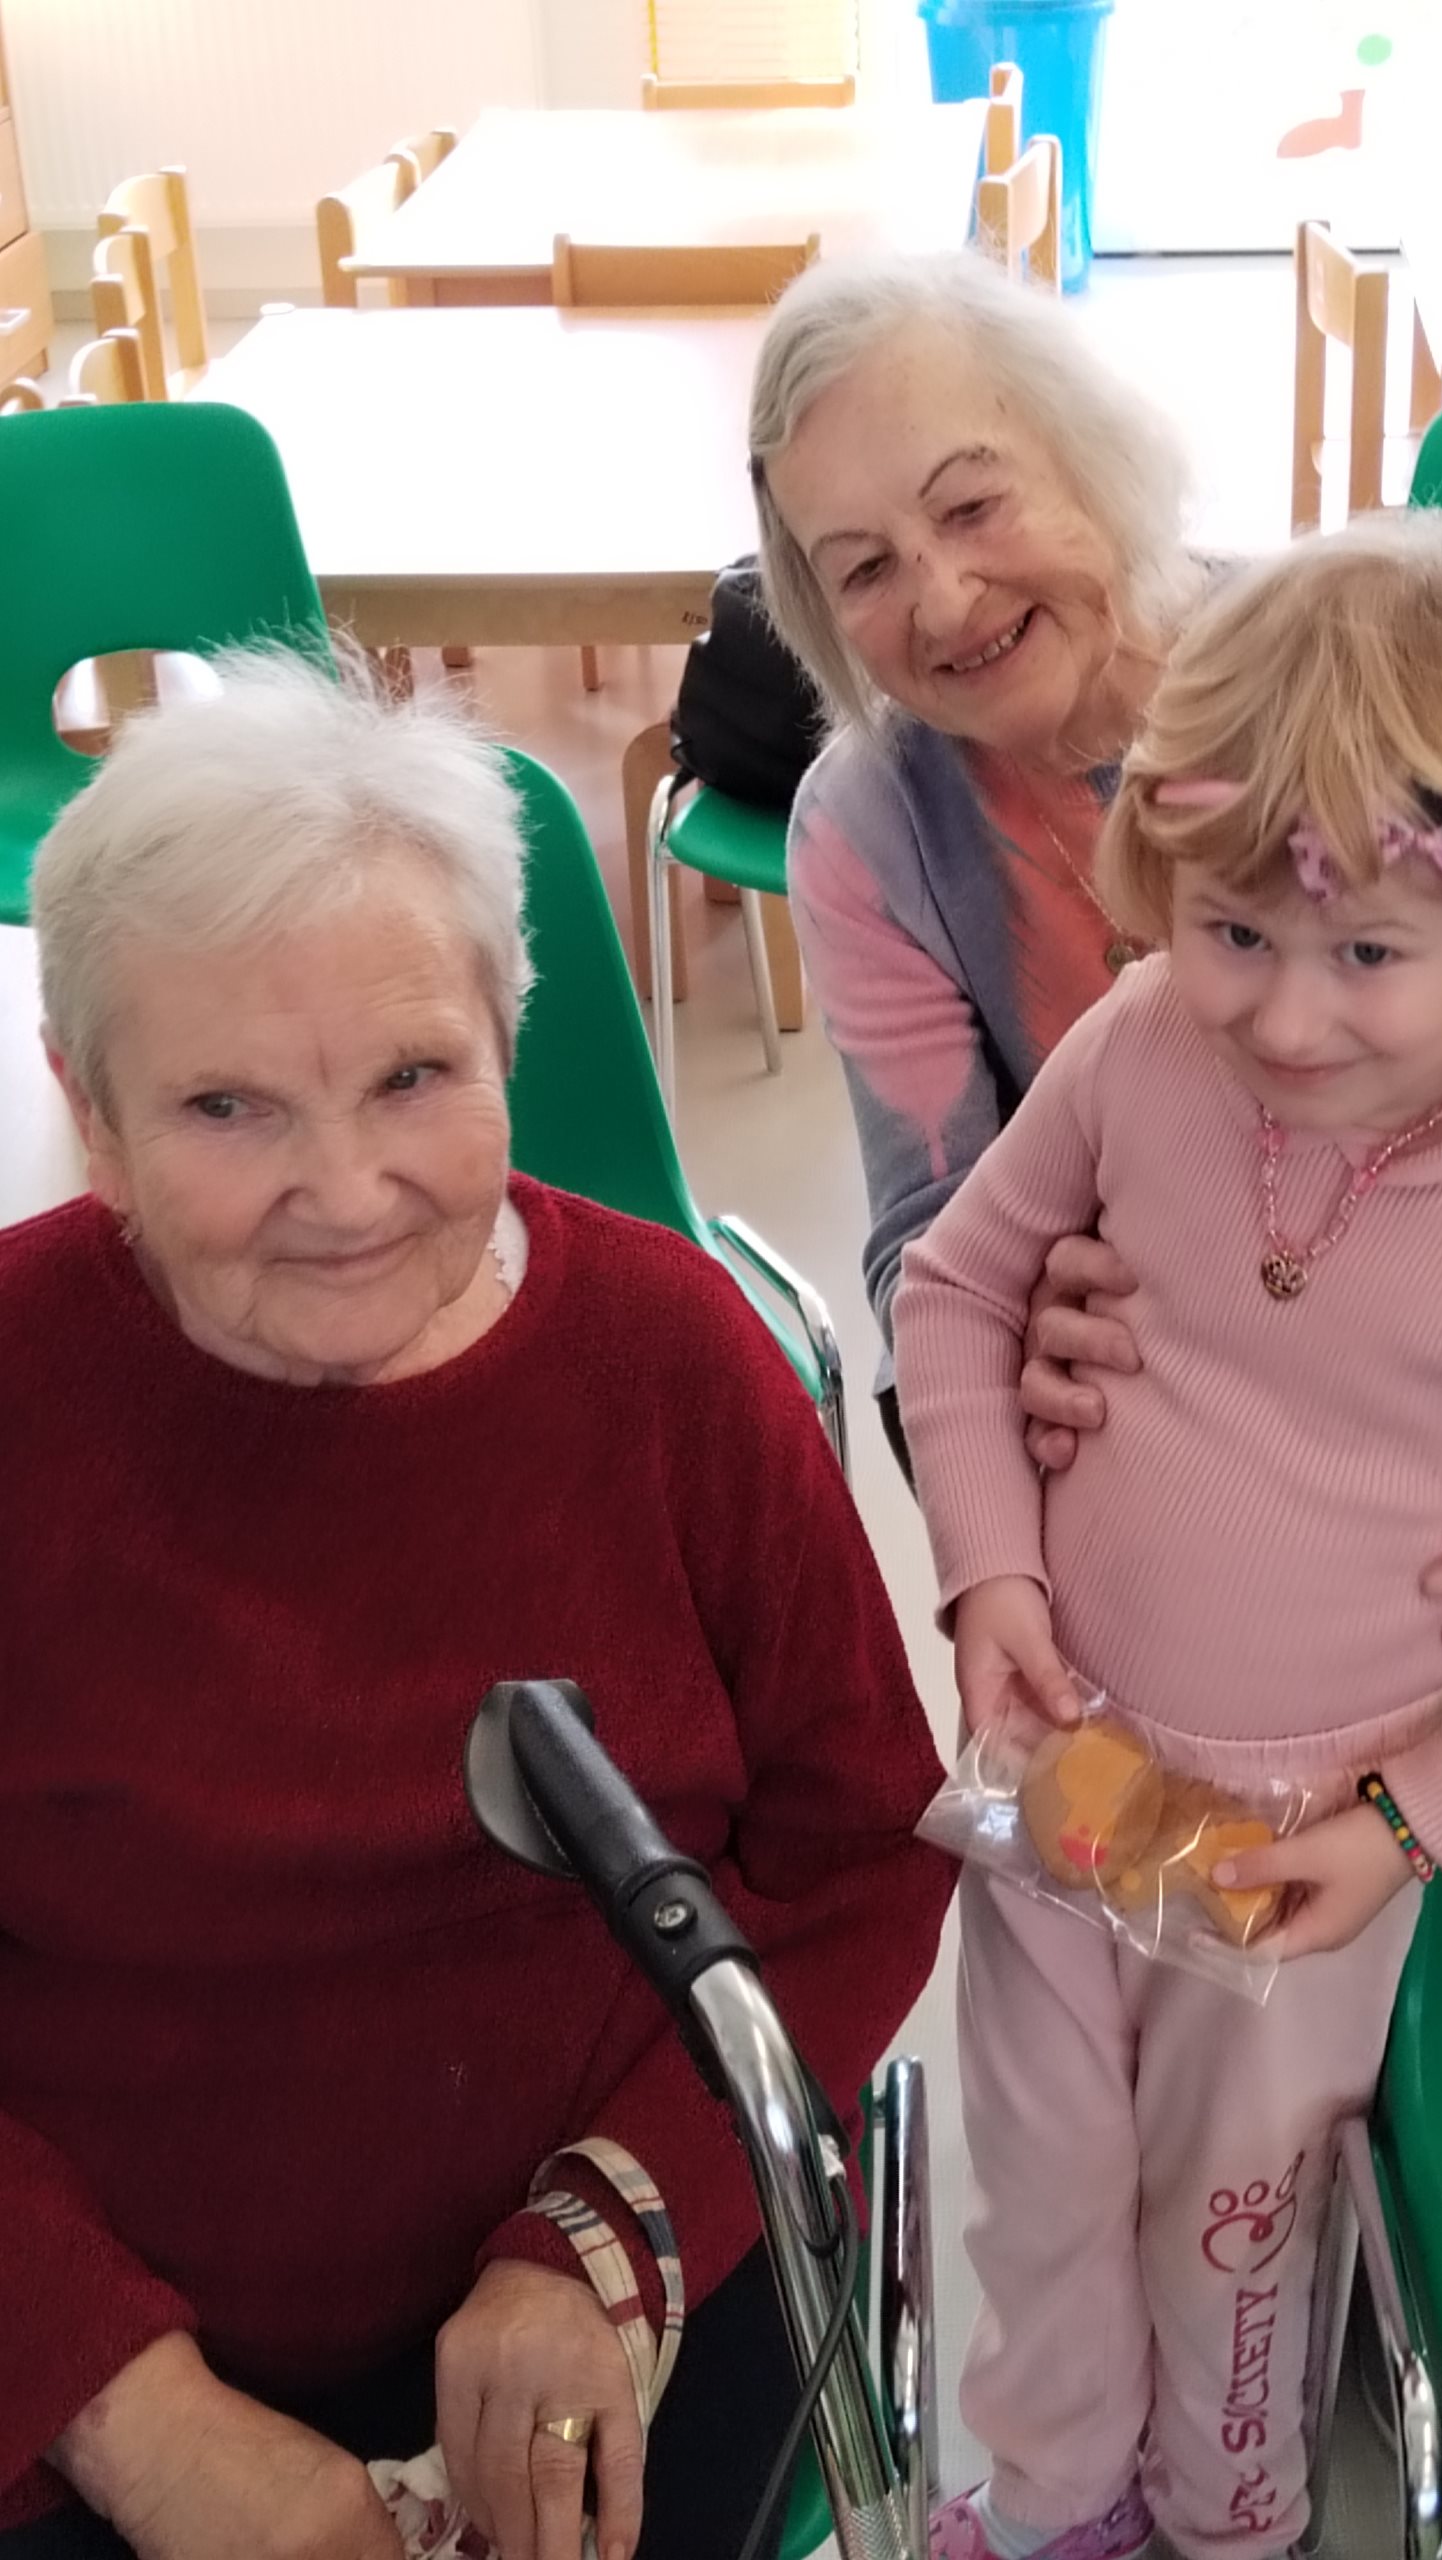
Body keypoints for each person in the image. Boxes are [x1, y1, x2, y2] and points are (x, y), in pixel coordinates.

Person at [890, 513, 1442, 2560]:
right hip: (1062, 1757)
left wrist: (1409, 1823)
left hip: (1310, 1836)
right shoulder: (1141, 1040)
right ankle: (1052, 2506)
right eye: (1233, 931)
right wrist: (992, 1568)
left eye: (1370, 953)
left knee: (1235, 2226)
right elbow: (952, 1288)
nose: (1286, 1020)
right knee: (1040, 2183)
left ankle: (1230, 2521)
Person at [0, 652, 952, 2560]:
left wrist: (602, 2239)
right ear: (91, 1111)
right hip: (77, 2324)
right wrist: (132, 2413)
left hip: (623, 2250)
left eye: (413, 1077)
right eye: (226, 1106)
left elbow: (861, 1859)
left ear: (509, 1044)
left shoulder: (675, 1370)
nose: (346, 1191)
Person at [750, 251, 1442, 1666]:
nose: (940, 602)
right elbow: (929, 1240)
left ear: (1090, 455)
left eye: (973, 504)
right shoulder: (870, 824)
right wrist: (1019, 1322)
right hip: (1196, 1434)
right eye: (865, 569)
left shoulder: (1342, 673)